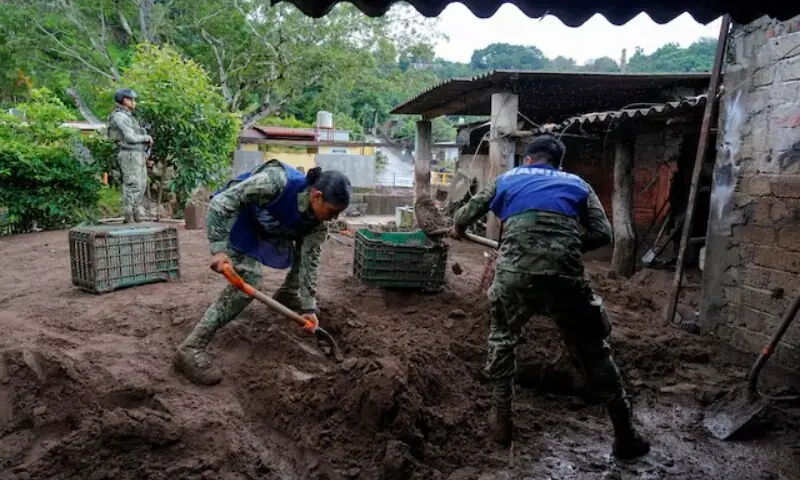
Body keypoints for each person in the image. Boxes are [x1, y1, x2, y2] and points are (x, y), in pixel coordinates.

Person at [449, 134, 650, 459]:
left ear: (528, 160)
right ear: (558, 164)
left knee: (503, 338)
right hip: (566, 278)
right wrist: (566, 247)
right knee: (595, 349)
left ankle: (502, 421)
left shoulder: (508, 178)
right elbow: (604, 233)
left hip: (515, 275)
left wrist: (458, 229)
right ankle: (625, 433)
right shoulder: (578, 184)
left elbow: (462, 217)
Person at [174, 160, 351, 386]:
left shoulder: (317, 225)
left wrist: (308, 307)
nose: (335, 218)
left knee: (307, 249)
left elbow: (310, 262)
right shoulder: (275, 182)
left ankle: (287, 294)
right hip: (238, 218)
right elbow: (221, 203)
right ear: (316, 196)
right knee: (250, 278)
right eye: (333, 211)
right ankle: (191, 348)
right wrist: (218, 250)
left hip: (267, 226)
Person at [106, 88, 153, 223]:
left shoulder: (128, 117)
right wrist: (146, 138)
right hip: (129, 154)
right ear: (124, 100)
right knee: (132, 185)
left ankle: (136, 213)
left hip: (137, 153)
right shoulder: (119, 117)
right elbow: (130, 137)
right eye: (131, 99)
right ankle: (129, 216)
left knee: (141, 184)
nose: (134, 102)